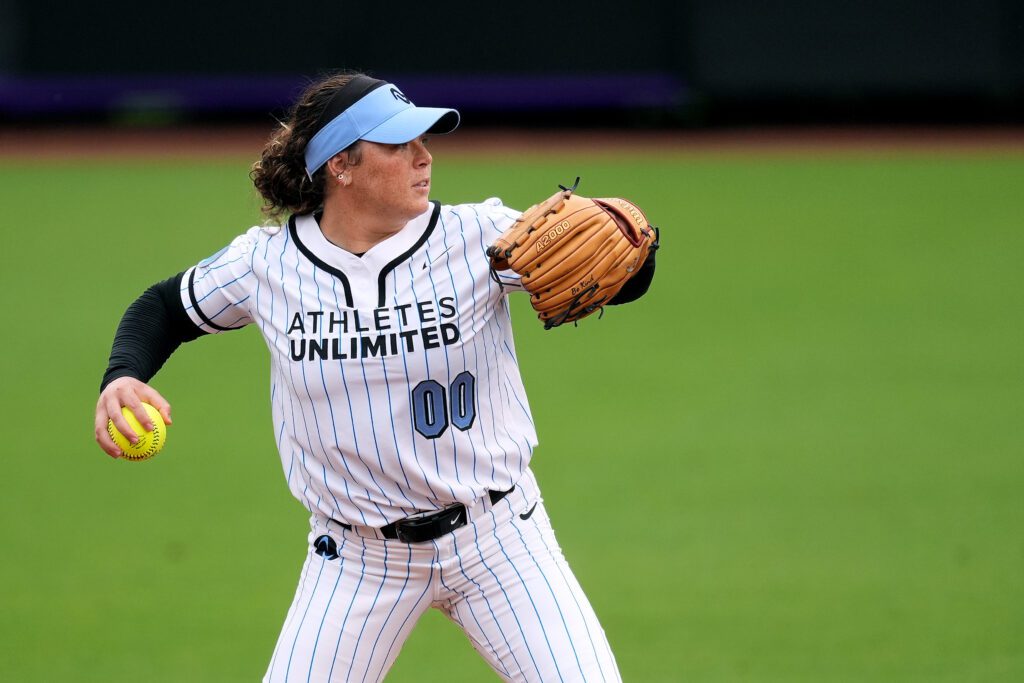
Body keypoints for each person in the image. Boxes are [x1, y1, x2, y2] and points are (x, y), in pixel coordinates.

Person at [95, 71, 655, 682]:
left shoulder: (478, 237)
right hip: (357, 560)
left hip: (501, 541)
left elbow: (618, 278)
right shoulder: (266, 264)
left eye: (425, 139)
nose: (424, 156)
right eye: (399, 145)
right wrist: (122, 376)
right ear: (341, 166)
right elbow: (163, 308)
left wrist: (634, 256)